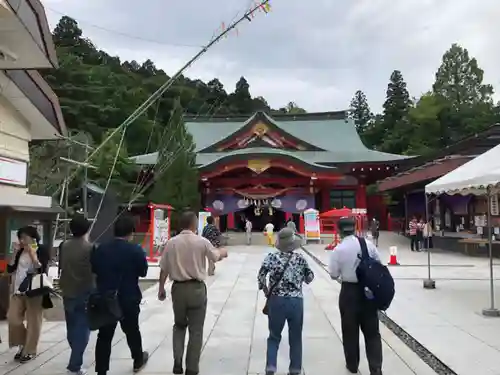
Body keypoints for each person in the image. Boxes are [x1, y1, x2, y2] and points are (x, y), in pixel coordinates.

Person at [158, 211, 228, 375]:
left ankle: (177, 361)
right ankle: (191, 367)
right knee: (196, 330)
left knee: (179, 325)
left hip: (178, 289)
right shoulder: (201, 242)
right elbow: (215, 256)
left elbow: (164, 269)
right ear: (193, 223)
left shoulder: (171, 243)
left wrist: (161, 288)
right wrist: (223, 252)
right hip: (196, 288)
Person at [91, 215, 149, 375]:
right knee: (132, 330)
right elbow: (143, 272)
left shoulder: (101, 249)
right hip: (129, 297)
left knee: (104, 335)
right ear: (131, 232)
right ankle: (137, 359)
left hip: (107, 298)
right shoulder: (135, 250)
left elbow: (95, 269)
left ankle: (101, 369)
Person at [328, 217, 383, 375]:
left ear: (339, 231)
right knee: (372, 332)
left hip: (349, 292)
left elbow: (333, 274)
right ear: (354, 228)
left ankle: (352, 364)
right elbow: (379, 263)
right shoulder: (368, 244)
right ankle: (376, 367)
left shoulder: (338, 250)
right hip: (368, 292)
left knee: (350, 331)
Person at [258, 227, 314, 375]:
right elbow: (310, 278)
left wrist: (266, 290)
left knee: (274, 336)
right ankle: (295, 369)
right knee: (295, 337)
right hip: (296, 301)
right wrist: (299, 277)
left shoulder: (271, 257)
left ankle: (271, 367)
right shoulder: (301, 259)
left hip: (277, 300)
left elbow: (261, 276)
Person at [7, 226, 52, 363]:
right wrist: (14, 254)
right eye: (20, 238)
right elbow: (10, 269)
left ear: (33, 237)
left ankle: (30, 350)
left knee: (34, 322)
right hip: (18, 290)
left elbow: (42, 268)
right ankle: (22, 345)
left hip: (35, 290)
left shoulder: (41, 249)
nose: (22, 240)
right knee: (13, 318)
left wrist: (33, 255)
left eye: (25, 237)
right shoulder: (20, 250)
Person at [59, 215, 94, 375]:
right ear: (87, 229)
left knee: (71, 326)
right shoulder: (90, 248)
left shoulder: (64, 245)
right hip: (84, 291)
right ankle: (74, 365)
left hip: (67, 290)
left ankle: (75, 355)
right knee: (82, 328)